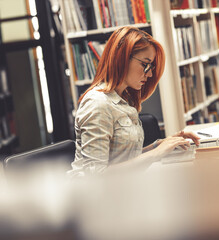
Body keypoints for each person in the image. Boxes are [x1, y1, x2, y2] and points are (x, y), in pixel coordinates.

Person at [68, 26, 200, 177]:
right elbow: (95, 177)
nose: (150, 74)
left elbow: (123, 159)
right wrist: (155, 153)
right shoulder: (97, 103)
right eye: (145, 64)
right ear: (122, 58)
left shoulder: (124, 98)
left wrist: (161, 145)